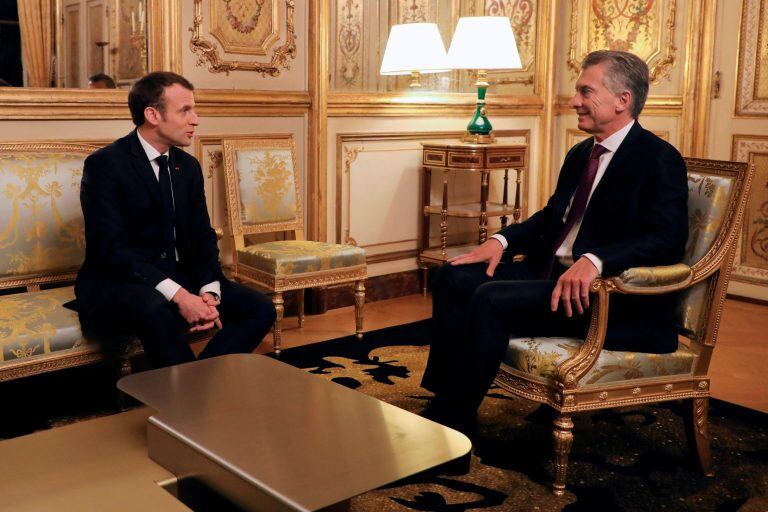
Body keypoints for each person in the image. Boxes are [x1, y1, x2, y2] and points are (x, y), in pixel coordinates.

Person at [421, 50, 689, 434]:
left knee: (490, 298)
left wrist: (596, 260)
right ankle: (445, 397)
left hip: (606, 297)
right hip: (550, 274)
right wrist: (501, 240)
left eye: (585, 91)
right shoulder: (582, 153)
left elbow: (667, 240)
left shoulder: (659, 159)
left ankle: (452, 424)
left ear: (622, 100)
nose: (575, 101)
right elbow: (553, 218)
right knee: (452, 276)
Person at [75, 71, 276, 368]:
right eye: (185, 110)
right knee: (154, 306)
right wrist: (181, 296)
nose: (195, 119)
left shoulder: (188, 166)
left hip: (178, 274)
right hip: (118, 281)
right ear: (153, 115)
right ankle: (190, 400)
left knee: (261, 309)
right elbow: (113, 251)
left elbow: (202, 235)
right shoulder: (105, 165)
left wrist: (208, 291)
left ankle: (196, 385)